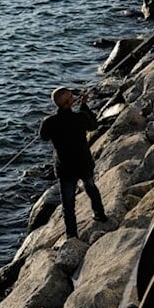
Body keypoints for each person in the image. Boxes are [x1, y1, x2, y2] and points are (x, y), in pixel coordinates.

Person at [39, 87, 108, 239]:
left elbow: (43, 136)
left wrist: (50, 120)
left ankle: (71, 235)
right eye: (72, 97)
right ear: (69, 102)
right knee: (91, 187)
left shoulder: (49, 122)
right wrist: (84, 105)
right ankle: (99, 214)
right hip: (83, 163)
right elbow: (94, 125)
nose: (74, 98)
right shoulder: (81, 117)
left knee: (68, 203)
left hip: (65, 167)